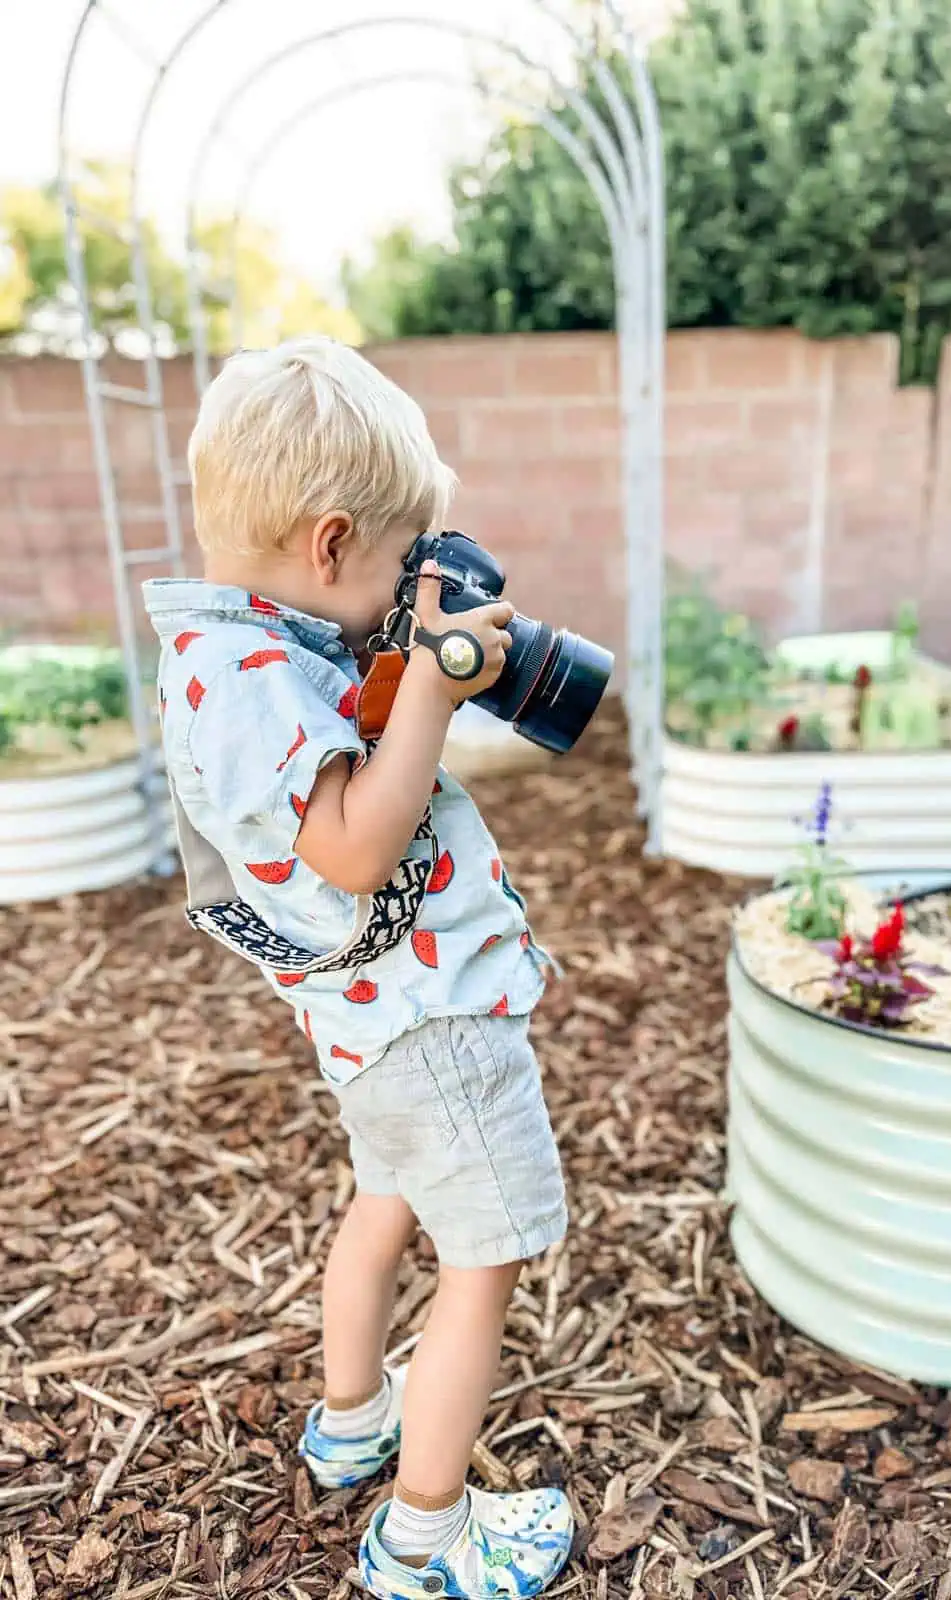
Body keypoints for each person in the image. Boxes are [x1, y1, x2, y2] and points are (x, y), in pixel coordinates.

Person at [143, 336, 573, 1600]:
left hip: (378, 1026)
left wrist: (403, 678)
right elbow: (350, 840)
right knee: (478, 1258)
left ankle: (349, 1418)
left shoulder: (227, 653)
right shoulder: (255, 674)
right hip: (431, 1023)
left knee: (384, 1205)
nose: (402, 595)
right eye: (395, 562)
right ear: (330, 543)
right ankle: (424, 1537)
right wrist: (434, 690)